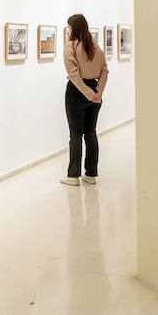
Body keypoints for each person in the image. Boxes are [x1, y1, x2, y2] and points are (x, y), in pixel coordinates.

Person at [61, 13, 108, 186]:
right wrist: (98, 92)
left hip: (77, 92)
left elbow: (73, 75)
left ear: (73, 27)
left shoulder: (70, 46)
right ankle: (91, 174)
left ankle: (73, 176)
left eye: (69, 26)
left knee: (75, 135)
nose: (68, 29)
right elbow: (104, 71)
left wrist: (89, 93)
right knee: (90, 133)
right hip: (94, 91)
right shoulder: (95, 47)